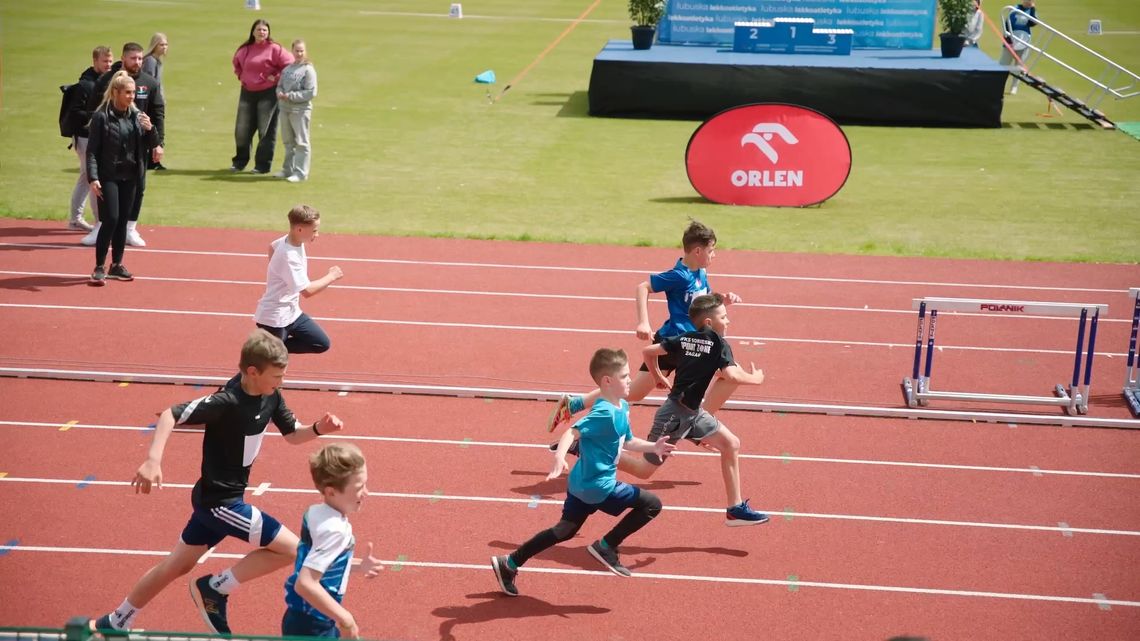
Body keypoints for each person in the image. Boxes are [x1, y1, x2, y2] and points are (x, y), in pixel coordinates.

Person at [93, 330, 346, 634]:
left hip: (213, 502)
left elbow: (292, 434)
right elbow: (170, 415)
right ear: (252, 372)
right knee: (294, 550)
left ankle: (116, 620)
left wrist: (319, 428)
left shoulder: (271, 396)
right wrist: (152, 460)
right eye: (276, 375)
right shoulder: (227, 401)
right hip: (221, 502)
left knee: (176, 566)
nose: (281, 381)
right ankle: (215, 588)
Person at [491, 348, 675, 596]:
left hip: (580, 484)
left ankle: (509, 563)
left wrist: (653, 446)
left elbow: (627, 441)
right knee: (651, 504)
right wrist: (559, 457)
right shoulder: (604, 412)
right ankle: (606, 546)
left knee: (565, 530)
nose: (631, 379)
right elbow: (571, 432)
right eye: (625, 376)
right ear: (607, 381)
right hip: (598, 486)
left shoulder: (621, 406)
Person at [546, 219, 741, 431]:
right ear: (697, 251)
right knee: (634, 393)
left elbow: (701, 300)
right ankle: (700, 423)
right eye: (711, 250)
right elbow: (643, 287)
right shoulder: (678, 276)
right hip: (674, 342)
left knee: (728, 375)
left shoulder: (700, 273)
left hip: (691, 344)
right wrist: (643, 322)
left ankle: (574, 403)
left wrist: (722, 299)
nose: (715, 255)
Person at [620, 293, 769, 526]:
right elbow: (731, 375)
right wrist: (756, 378)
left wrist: (659, 375)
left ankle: (735, 509)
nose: (728, 321)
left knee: (731, 444)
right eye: (724, 316)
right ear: (709, 323)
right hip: (674, 415)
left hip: (692, 413)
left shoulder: (684, 338)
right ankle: (592, 448)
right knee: (643, 470)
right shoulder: (719, 343)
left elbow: (648, 352)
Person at [282, 443, 382, 639]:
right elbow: (305, 583)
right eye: (359, 487)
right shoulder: (335, 530)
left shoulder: (316, 512)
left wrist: (356, 566)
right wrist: (346, 619)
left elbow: (317, 561)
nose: (366, 492)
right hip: (313, 625)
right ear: (331, 492)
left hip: (301, 618)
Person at [83, 42, 165, 248]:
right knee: (102, 187)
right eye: (132, 58)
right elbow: (94, 108)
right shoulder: (107, 80)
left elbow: (158, 114)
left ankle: (130, 229)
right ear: (123, 58)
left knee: (139, 188)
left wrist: (159, 143)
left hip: (138, 147)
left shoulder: (150, 83)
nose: (137, 62)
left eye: (140, 59)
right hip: (110, 144)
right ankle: (100, 226)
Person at [85, 71, 159, 286]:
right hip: (108, 176)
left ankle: (116, 264)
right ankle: (99, 266)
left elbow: (150, 143)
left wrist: (150, 128)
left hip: (131, 176)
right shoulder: (101, 117)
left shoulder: (137, 116)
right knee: (111, 219)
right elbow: (92, 151)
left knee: (122, 222)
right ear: (115, 92)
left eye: (133, 92)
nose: (131, 97)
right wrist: (93, 177)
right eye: (127, 92)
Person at [254, 204, 344, 353]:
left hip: (292, 313)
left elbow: (272, 246)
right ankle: (269, 351)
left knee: (320, 343)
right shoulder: (289, 256)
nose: (317, 234)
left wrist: (278, 272)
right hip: (275, 319)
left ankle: (271, 350)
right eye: (314, 231)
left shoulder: (291, 240)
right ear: (299, 229)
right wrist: (331, 276)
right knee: (261, 365)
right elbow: (307, 291)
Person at [231, 19, 293, 174]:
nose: (261, 32)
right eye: (259, 29)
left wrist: (277, 76)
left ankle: (262, 166)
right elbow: (236, 64)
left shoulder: (275, 49)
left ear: (268, 33)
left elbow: (289, 64)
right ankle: (239, 162)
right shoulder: (245, 49)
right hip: (247, 92)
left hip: (268, 94)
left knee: (265, 130)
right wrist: (242, 76)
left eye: (265, 30)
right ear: (253, 32)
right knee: (242, 129)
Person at [66, 45, 114, 232]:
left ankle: (76, 219)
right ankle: (98, 221)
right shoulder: (85, 85)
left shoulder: (106, 80)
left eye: (110, 61)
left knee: (86, 177)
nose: (108, 64)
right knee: (93, 177)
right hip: (85, 137)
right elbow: (75, 112)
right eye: (105, 61)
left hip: (94, 136)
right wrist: (96, 117)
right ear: (95, 61)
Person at [276, 39, 318, 183]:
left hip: (300, 110)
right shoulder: (287, 69)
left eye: (301, 51)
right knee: (288, 141)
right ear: (292, 51)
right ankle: (288, 169)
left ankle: (301, 173)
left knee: (301, 142)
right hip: (284, 108)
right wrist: (280, 93)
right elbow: (279, 85)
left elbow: (311, 92)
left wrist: (290, 96)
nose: (299, 53)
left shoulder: (308, 69)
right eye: (296, 50)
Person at [141, 33, 169, 170]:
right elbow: (150, 82)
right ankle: (152, 161)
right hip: (152, 101)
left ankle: (152, 160)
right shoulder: (151, 61)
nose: (164, 47)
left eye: (166, 44)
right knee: (154, 129)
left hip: (157, 99)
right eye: (161, 44)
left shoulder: (156, 60)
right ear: (155, 45)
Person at [1000, 0, 1037, 94]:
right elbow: (1007, 24)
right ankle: (999, 85)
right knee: (1004, 64)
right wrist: (1008, 41)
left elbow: (1033, 23)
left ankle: (1014, 86)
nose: (1028, 2)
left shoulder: (1031, 10)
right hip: (1011, 41)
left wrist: (1032, 8)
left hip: (1024, 41)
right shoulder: (1014, 9)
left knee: (1018, 66)